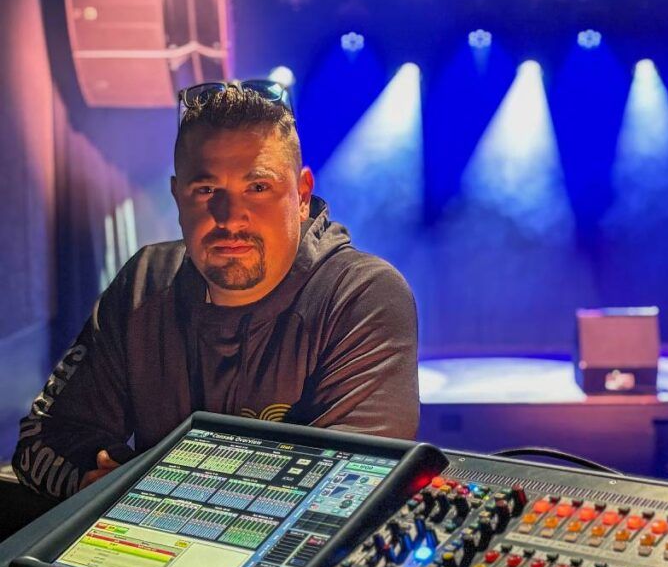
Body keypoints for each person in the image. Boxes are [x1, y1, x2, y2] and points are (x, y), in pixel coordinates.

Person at [13, 80, 419, 502]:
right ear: (177, 196)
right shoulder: (145, 283)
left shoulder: (361, 296)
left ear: (301, 194)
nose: (230, 218)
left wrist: (140, 493)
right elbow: (41, 441)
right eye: (206, 190)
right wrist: (90, 481)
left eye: (257, 188)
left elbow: (347, 490)